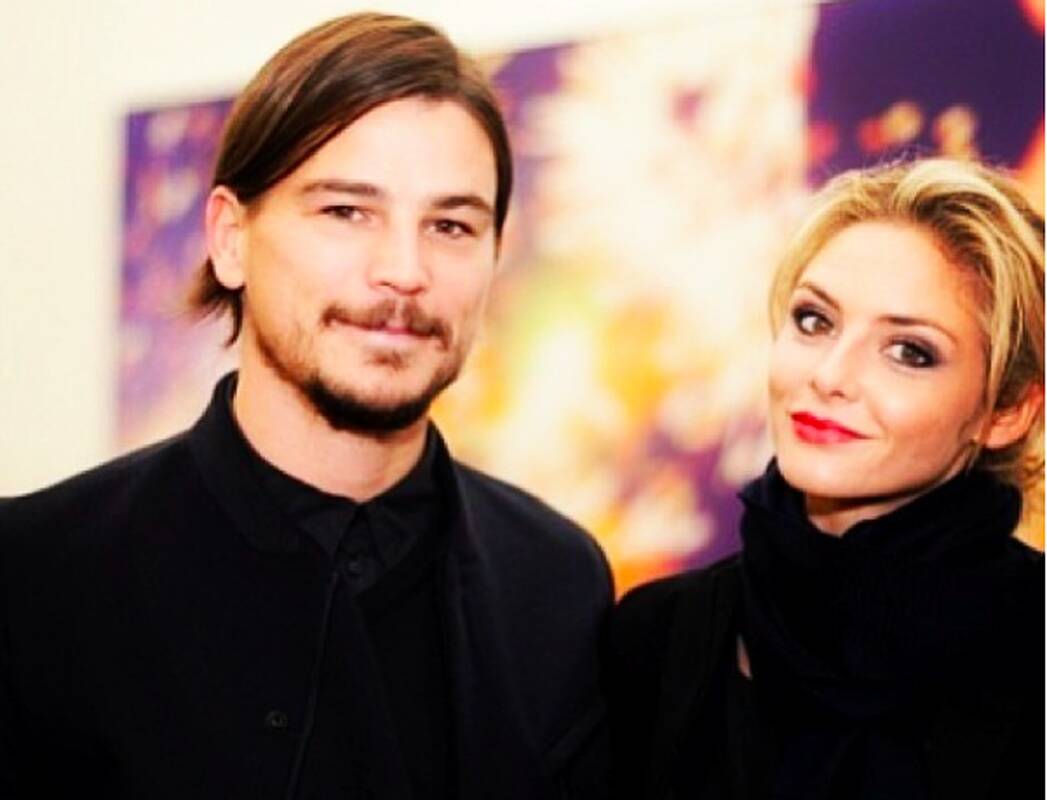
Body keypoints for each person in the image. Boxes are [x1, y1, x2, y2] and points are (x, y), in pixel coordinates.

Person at [0, 13, 612, 799]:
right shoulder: (37, 576)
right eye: (346, 212)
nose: (404, 270)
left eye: (450, 225)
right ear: (230, 238)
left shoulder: (556, 580)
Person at [608, 158, 1044, 800]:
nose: (830, 375)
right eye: (815, 320)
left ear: (1006, 412)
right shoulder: (656, 634)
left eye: (909, 352)